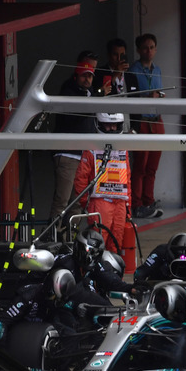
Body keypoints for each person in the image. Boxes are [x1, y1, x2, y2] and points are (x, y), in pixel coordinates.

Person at [51, 58, 99, 228]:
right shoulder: (68, 92)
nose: (87, 80)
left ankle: (71, 241)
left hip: (83, 156)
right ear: (76, 76)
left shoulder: (90, 93)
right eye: (84, 76)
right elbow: (76, 114)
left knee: (78, 203)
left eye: (90, 76)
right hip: (67, 155)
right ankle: (54, 238)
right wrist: (98, 99)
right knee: (62, 201)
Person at [72, 113, 131, 252]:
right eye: (108, 125)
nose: (111, 128)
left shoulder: (123, 149)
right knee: (97, 243)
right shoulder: (91, 149)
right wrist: (86, 203)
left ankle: (113, 273)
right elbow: (81, 179)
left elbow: (127, 179)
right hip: (100, 202)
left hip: (120, 204)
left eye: (114, 125)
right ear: (100, 125)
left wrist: (128, 207)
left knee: (116, 243)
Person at [130, 33, 165, 220]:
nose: (149, 51)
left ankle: (148, 201)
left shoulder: (157, 70)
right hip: (142, 120)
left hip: (156, 120)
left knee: (152, 166)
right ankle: (136, 204)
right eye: (145, 47)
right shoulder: (133, 70)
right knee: (140, 166)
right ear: (138, 50)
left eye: (152, 47)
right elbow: (131, 97)